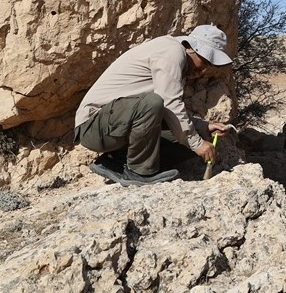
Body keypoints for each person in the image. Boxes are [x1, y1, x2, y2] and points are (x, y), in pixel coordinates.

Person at [74, 24, 233, 186]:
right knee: (154, 103)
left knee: (190, 140)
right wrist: (197, 144)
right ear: (192, 48)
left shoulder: (177, 57)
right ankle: (138, 172)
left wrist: (204, 127)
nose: (204, 70)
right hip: (93, 127)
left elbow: (169, 113)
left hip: (112, 127)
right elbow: (170, 104)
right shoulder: (172, 51)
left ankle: (114, 162)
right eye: (205, 61)